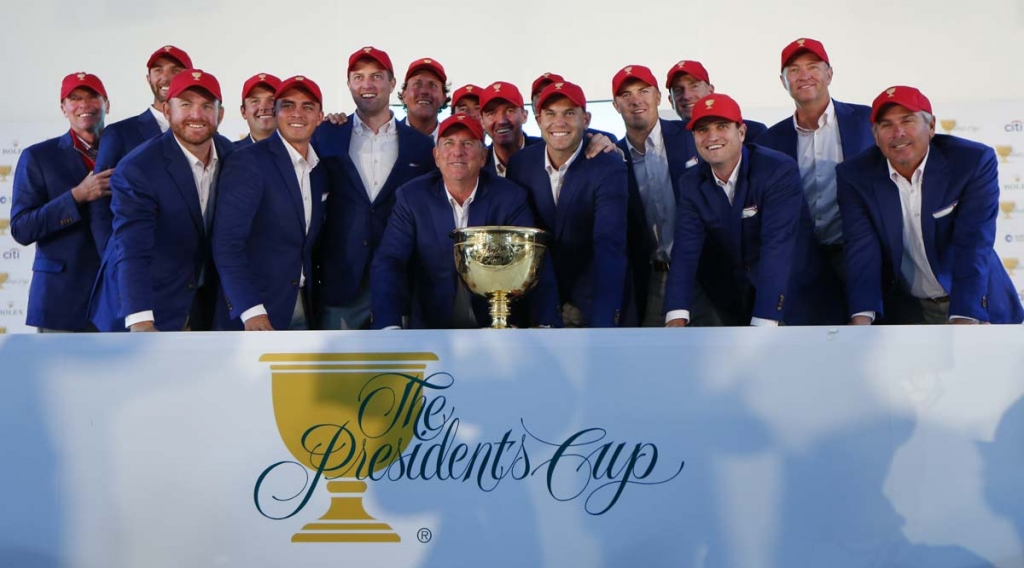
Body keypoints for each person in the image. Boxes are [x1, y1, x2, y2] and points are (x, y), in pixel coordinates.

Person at [838, 86, 1024, 324]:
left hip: (976, 301)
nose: (898, 132)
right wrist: (862, 318)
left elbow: (974, 242)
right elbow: (862, 249)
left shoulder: (971, 162)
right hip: (908, 310)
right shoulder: (855, 175)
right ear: (875, 135)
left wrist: (966, 316)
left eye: (908, 121)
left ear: (932, 126)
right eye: (886, 125)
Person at [664, 94, 844, 327]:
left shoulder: (776, 169)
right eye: (702, 129)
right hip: (740, 301)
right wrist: (675, 315)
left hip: (798, 297)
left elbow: (777, 246)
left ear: (741, 132)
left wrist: (764, 320)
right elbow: (686, 250)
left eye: (722, 126)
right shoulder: (691, 182)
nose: (712, 136)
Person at [371, 113, 559, 329]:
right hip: (433, 324)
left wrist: (546, 324)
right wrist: (388, 325)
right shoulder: (412, 197)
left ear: (482, 156)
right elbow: (390, 260)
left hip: (498, 325)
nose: (457, 152)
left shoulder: (510, 197)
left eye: (467, 143)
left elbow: (535, 261)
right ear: (437, 155)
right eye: (449, 143)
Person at [90, 69, 235, 332]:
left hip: (203, 303)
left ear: (220, 114)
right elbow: (133, 246)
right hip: (145, 304)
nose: (196, 115)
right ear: (167, 111)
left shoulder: (232, 156)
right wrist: (141, 320)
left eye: (206, 106)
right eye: (186, 104)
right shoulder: (138, 167)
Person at [313, 46, 436, 330]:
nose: (367, 85)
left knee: (400, 372)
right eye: (358, 77)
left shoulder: (420, 145)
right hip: (341, 283)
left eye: (376, 76)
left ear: (393, 85)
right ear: (349, 84)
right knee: (341, 373)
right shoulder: (327, 134)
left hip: (401, 281)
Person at [507, 81, 629, 327]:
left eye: (569, 113)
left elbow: (609, 245)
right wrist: (548, 314)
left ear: (586, 119)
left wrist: (603, 320)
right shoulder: (521, 165)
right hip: (539, 299)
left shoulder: (608, 165)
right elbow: (529, 245)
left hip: (594, 296)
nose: (559, 122)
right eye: (551, 114)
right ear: (539, 119)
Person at [756, 37, 873, 290]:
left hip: (863, 254)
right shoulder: (770, 140)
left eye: (813, 66)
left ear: (829, 74)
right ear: (782, 81)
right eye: (794, 70)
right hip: (802, 261)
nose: (804, 75)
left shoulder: (868, 121)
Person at [212, 75, 326, 331]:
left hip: (304, 307)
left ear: (319, 117)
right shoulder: (247, 161)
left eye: (307, 106)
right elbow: (227, 244)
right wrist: (249, 309)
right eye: (288, 105)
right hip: (256, 311)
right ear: (276, 114)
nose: (297, 113)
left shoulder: (319, 169)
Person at [10, 72, 111, 332]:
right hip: (61, 300)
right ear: (63, 108)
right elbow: (22, 228)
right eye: (75, 98)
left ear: (107, 104)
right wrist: (76, 196)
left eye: (92, 97)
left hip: (117, 299)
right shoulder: (38, 156)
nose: (84, 105)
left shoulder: (128, 153)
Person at [610, 65, 702, 326]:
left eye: (643, 91)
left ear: (659, 97)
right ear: (616, 105)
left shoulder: (692, 137)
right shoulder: (611, 157)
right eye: (626, 95)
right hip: (652, 281)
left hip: (704, 274)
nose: (636, 100)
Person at [93, 45, 192, 172]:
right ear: (148, 78)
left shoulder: (205, 133)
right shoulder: (118, 133)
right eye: (158, 70)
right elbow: (101, 188)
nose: (166, 78)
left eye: (176, 70)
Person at [665, 59, 767, 141]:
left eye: (694, 86)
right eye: (678, 90)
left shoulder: (753, 133)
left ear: (711, 91)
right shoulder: (668, 140)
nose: (686, 96)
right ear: (671, 101)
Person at [479, 81, 540, 177]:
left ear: (524, 115)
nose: (501, 121)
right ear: (482, 121)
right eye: (491, 113)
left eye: (509, 111)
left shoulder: (546, 153)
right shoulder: (477, 166)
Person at [398, 57, 449, 140]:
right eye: (417, 84)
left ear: (443, 98)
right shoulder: (386, 138)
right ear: (404, 95)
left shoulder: (454, 145)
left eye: (432, 85)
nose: (424, 91)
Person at [236, 73, 281, 148]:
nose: (263, 107)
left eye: (272, 100)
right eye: (255, 101)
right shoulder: (229, 155)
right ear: (243, 112)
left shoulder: (303, 151)